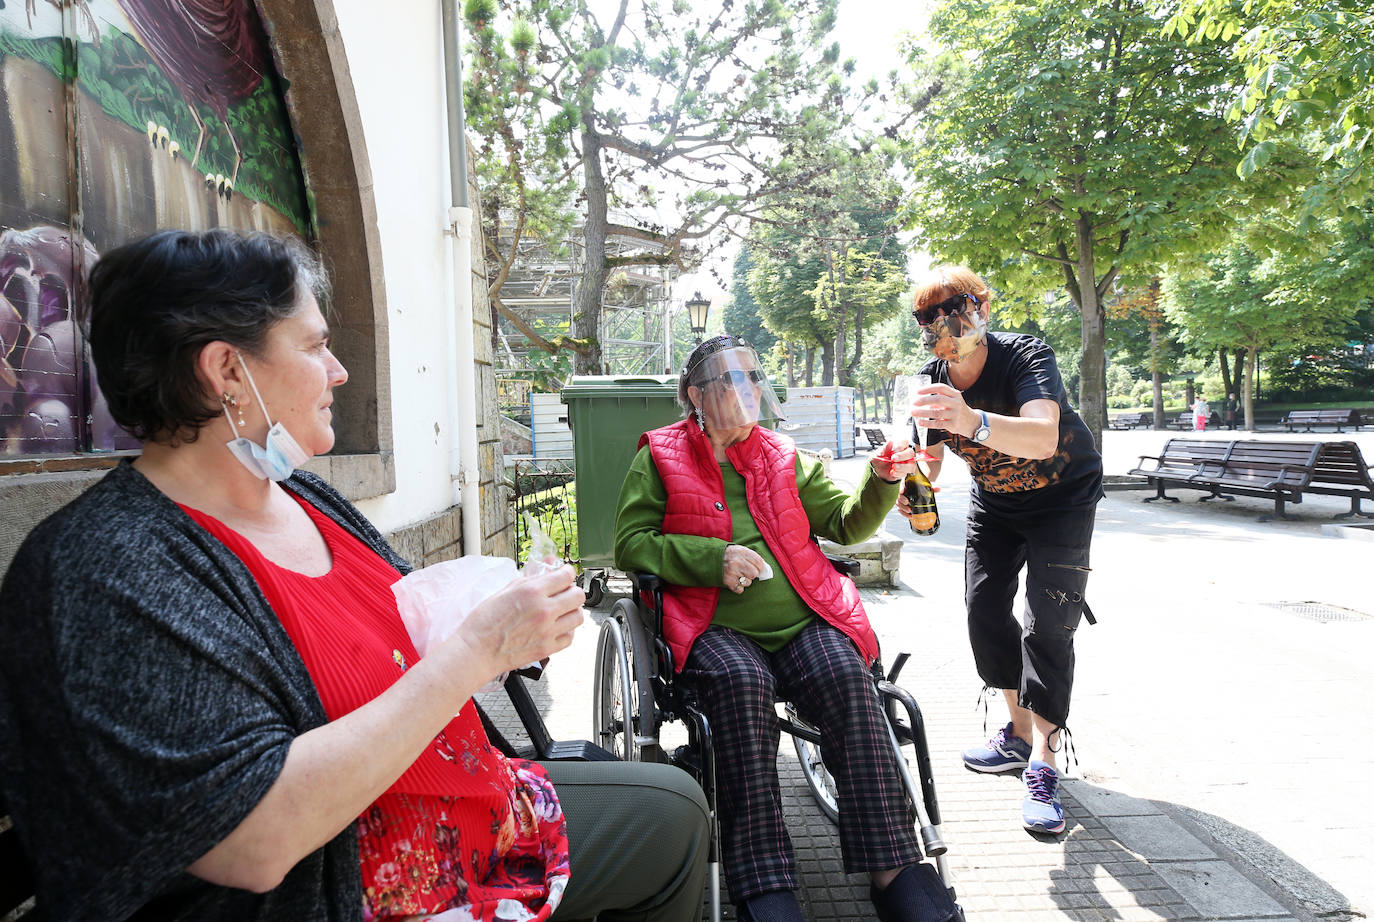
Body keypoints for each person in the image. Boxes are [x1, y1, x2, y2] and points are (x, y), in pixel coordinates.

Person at [0, 229, 709, 922]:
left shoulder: (304, 497)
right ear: (225, 372)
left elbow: (413, 635)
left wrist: (506, 615)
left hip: (462, 809)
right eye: (314, 345)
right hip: (350, 879)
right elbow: (254, 842)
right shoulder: (107, 569)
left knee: (673, 810)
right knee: (669, 821)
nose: (339, 371)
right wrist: (477, 651)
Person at [614, 335, 954, 922]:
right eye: (732, 379)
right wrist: (709, 558)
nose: (749, 389)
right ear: (697, 395)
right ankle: (764, 881)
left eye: (753, 376)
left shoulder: (783, 454)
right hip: (712, 626)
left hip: (803, 617)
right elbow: (630, 544)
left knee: (849, 678)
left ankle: (895, 867)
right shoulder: (660, 455)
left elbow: (847, 527)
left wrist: (882, 478)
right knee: (740, 687)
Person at [902, 266, 1102, 836]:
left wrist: (971, 420)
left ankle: (1045, 758)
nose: (941, 323)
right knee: (983, 611)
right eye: (926, 315)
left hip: (1063, 497)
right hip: (997, 504)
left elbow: (1041, 436)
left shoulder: (1024, 357)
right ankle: (1015, 733)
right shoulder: (930, 378)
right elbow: (930, 460)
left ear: (981, 307)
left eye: (954, 307)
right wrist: (906, 478)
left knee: (1047, 625)